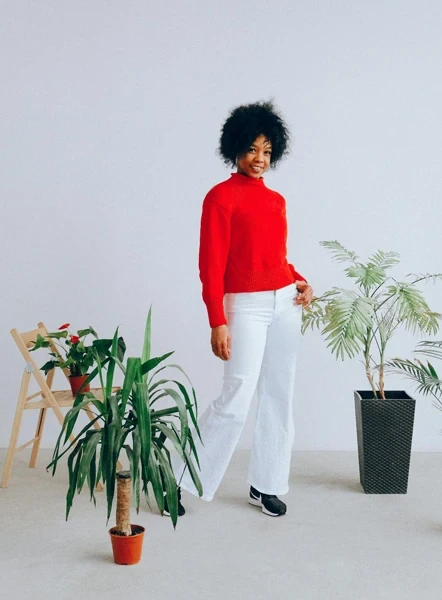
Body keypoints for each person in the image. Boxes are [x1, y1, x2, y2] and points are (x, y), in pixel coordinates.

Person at [173, 101, 313, 518]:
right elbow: (210, 266)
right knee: (235, 398)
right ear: (235, 149)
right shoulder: (220, 198)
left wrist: (300, 280)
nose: (260, 159)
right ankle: (179, 477)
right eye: (252, 149)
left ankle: (265, 485)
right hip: (245, 308)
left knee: (278, 397)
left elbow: (276, 258)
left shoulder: (277, 201)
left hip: (286, 303)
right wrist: (217, 321)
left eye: (267, 151)